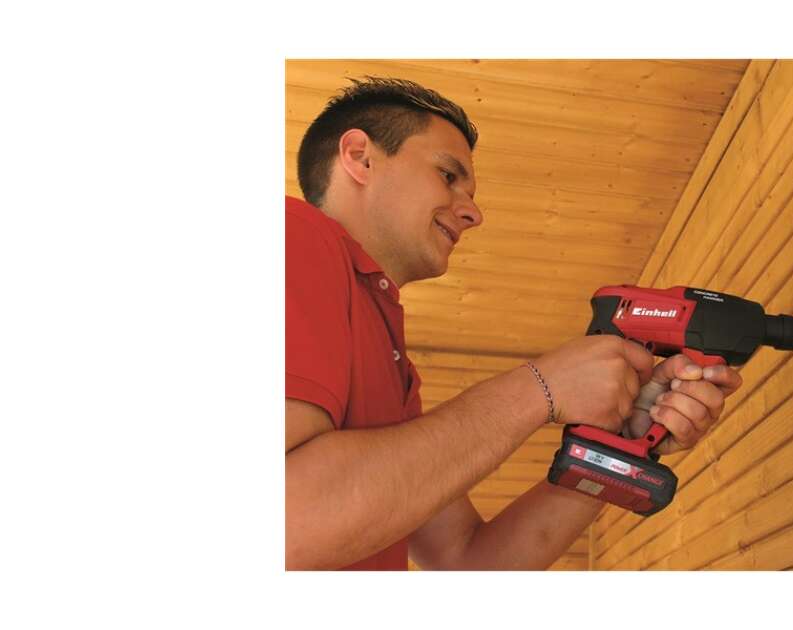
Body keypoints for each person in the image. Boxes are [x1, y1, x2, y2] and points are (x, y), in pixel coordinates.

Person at [285, 77, 743, 570]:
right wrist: (540, 387)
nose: (473, 212)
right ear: (360, 157)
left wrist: (620, 445)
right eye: (447, 175)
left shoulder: (387, 351)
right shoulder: (292, 234)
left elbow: (467, 562)